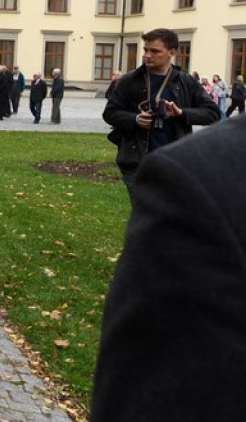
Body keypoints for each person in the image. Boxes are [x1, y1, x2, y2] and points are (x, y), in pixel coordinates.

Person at [91, 116, 246, 422]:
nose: (149, 61)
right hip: (139, 159)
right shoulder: (201, 181)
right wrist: (134, 119)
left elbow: (207, 112)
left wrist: (180, 114)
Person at [102, 28, 219, 192]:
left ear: (172, 52)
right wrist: (135, 119)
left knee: (174, 214)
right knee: (146, 214)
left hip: (176, 163)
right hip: (137, 162)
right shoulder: (130, 80)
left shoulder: (186, 82)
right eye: (145, 50)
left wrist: (182, 114)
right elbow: (110, 113)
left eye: (155, 51)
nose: (147, 55)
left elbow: (213, 113)